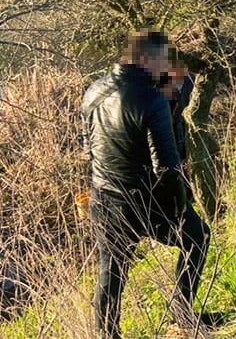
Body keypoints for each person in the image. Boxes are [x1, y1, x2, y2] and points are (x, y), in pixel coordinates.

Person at [82, 30, 210, 338]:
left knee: (110, 271)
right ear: (144, 58)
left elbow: (87, 148)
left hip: (104, 198)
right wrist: (180, 206)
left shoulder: (92, 91)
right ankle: (182, 313)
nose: (166, 68)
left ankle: (106, 335)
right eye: (162, 60)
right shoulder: (152, 99)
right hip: (144, 200)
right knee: (198, 236)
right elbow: (167, 167)